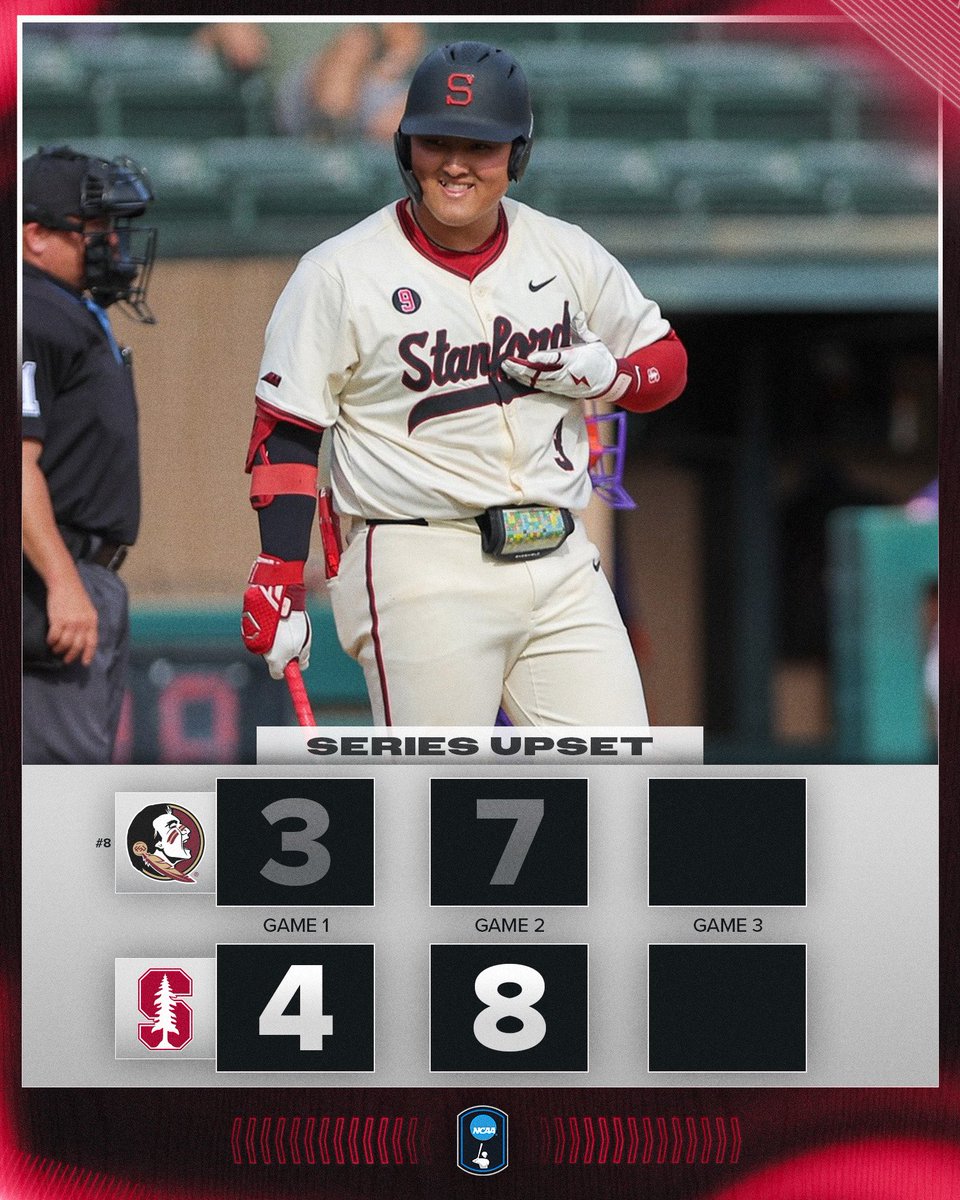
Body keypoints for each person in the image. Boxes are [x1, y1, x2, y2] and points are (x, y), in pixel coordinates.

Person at [241, 40, 687, 726]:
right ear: (405, 148)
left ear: (518, 153)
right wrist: (278, 574)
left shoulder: (564, 249)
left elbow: (668, 362)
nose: (454, 163)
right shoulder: (339, 271)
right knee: (433, 801)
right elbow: (289, 434)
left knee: (616, 782)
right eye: (436, 141)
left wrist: (619, 377)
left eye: (479, 146)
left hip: (561, 559)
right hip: (419, 559)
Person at [22, 144, 158, 763]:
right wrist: (62, 581)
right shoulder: (32, 312)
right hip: (49, 581)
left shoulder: (66, 308)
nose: (112, 243)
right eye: (93, 228)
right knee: (62, 799)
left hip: (83, 576)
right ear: (35, 237)